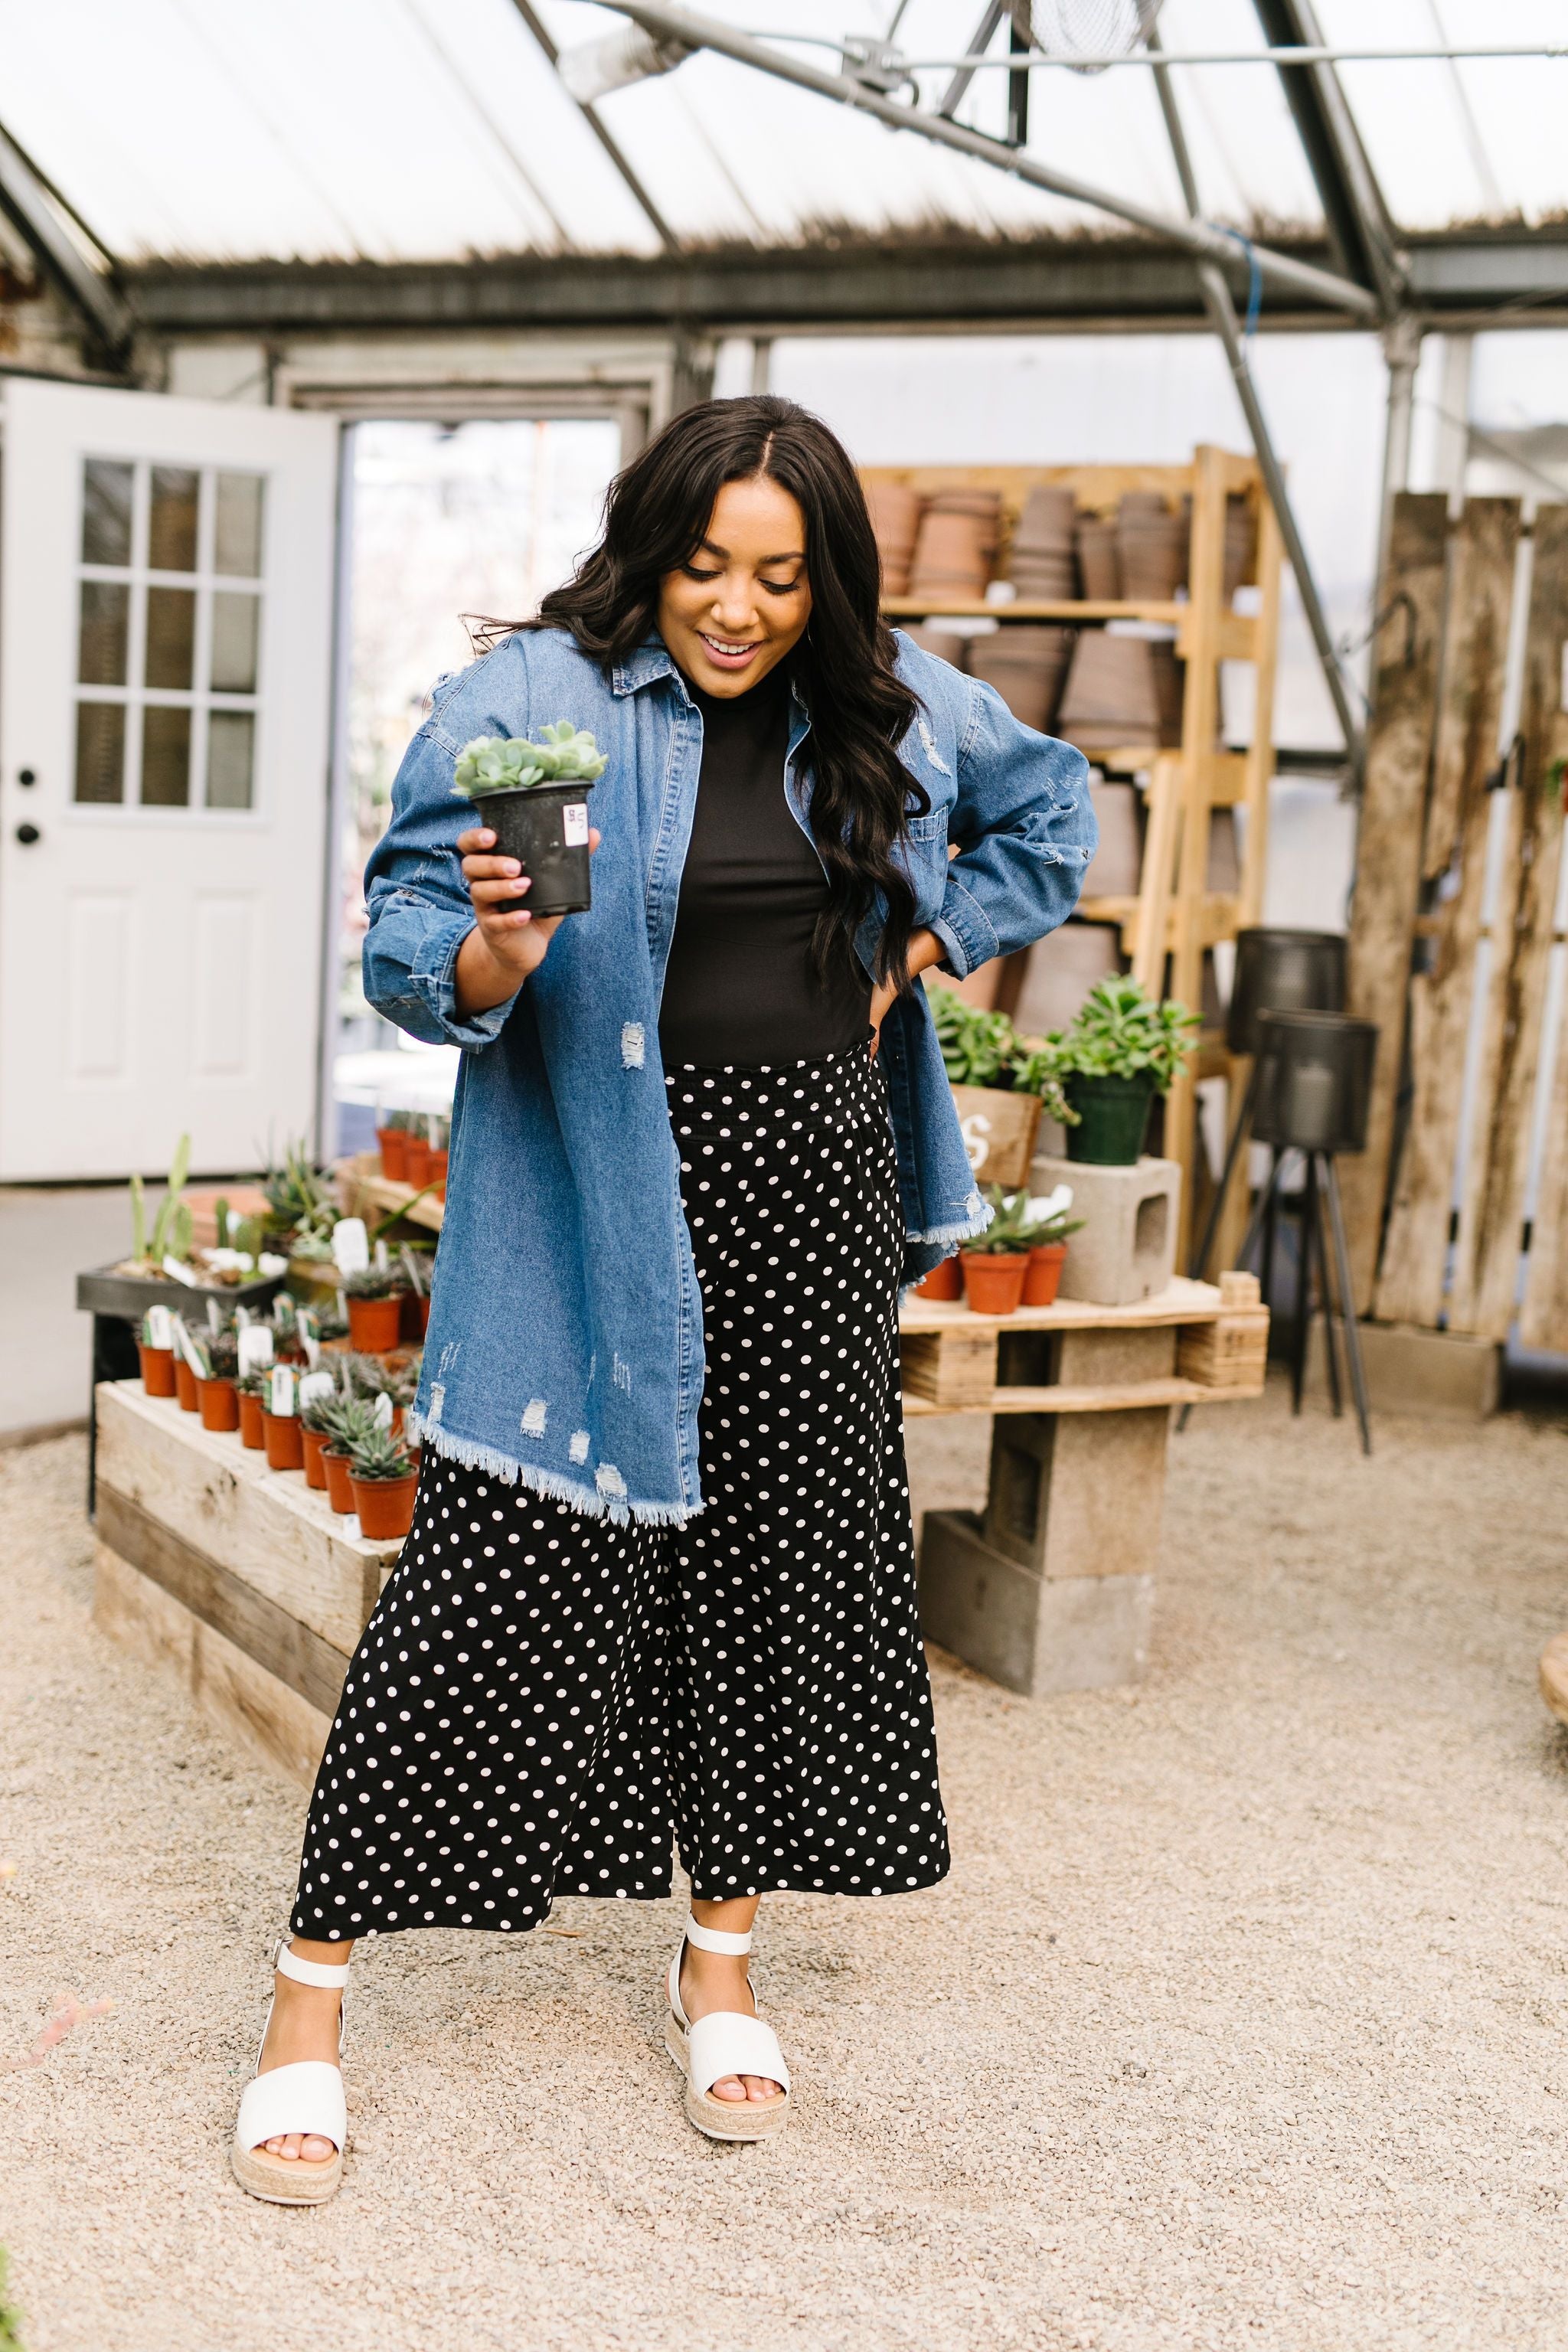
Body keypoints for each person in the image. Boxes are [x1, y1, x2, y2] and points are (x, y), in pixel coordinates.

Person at [231, 395, 1095, 2203]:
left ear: (826, 580)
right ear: (653, 546)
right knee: (489, 1592)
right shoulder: (536, 703)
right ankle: (308, 2004)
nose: (738, 607)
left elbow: (1051, 809)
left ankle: (720, 1966)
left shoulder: (892, 702)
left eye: (781, 575)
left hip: (810, 1202)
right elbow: (404, 949)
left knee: (770, 1586)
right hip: (597, 1208)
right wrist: (494, 946)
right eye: (707, 564)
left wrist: (923, 942)